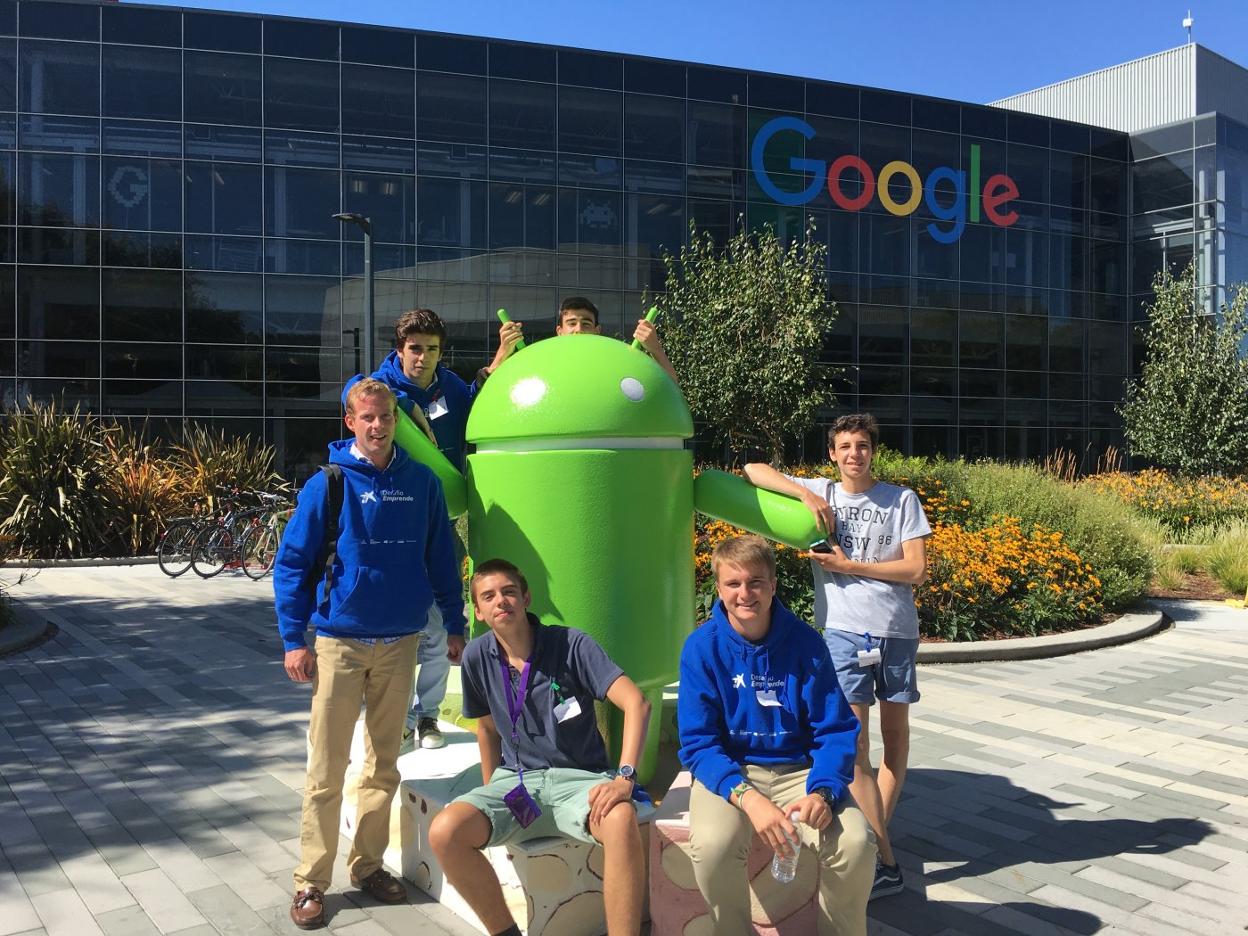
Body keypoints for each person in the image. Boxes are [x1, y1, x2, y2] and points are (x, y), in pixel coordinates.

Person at [274, 378, 465, 929]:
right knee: (327, 768)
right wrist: (294, 640)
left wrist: (453, 624)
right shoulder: (328, 485)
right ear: (350, 423)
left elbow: (441, 563)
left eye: (386, 417)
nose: (378, 426)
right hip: (341, 643)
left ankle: (368, 866)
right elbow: (292, 565)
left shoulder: (422, 483)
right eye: (368, 418)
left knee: (383, 766)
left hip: (400, 643)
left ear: (395, 421)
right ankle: (311, 881)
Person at [743, 413, 931, 901]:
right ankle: (884, 858)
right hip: (845, 633)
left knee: (895, 741)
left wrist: (849, 565)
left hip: (897, 631)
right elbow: (751, 468)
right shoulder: (821, 490)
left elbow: (916, 570)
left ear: (873, 451)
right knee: (855, 747)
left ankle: (874, 838)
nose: (854, 454)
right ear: (833, 453)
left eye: (863, 445)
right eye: (845, 446)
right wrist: (806, 495)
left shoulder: (900, 499)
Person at [428, 558, 652, 936]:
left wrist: (625, 777)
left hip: (580, 781)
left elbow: (636, 703)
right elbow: (486, 729)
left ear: (526, 597)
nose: (501, 601)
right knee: (444, 831)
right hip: (516, 782)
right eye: (489, 596)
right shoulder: (476, 657)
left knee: (620, 818)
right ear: (479, 611)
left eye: (509, 591)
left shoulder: (570, 644)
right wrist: (488, 790)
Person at [678, 535, 874, 934]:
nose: (745, 593)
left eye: (756, 582)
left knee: (855, 844)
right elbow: (698, 743)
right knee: (713, 846)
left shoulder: (806, 643)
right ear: (718, 588)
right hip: (733, 774)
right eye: (733, 584)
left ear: (773, 586)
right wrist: (748, 799)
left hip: (800, 771)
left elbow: (835, 728)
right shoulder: (701, 648)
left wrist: (824, 791)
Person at [343, 308, 515, 751]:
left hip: (441, 516)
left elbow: (482, 403)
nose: (423, 358)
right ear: (399, 350)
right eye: (415, 349)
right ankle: (395, 715)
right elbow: (355, 394)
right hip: (395, 515)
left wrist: (499, 359)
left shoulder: (450, 388)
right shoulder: (383, 388)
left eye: (432, 350)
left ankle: (427, 716)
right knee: (398, 626)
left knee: (440, 624)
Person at [491, 296, 679, 384]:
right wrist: (503, 352)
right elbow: (487, 391)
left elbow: (671, 388)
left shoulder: (614, 361)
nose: (579, 329)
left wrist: (655, 349)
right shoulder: (540, 363)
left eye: (586, 323)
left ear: (597, 330)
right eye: (571, 323)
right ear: (560, 331)